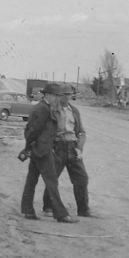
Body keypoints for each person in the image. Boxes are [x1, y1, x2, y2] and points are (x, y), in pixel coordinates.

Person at [18, 82, 77, 223]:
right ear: (48, 95)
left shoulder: (41, 107)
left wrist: (30, 148)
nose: (58, 98)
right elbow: (34, 131)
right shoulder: (44, 109)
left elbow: (32, 130)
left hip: (38, 149)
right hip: (42, 150)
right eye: (56, 95)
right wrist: (28, 147)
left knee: (31, 180)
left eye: (59, 96)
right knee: (52, 182)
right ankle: (61, 215)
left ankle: (28, 211)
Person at [41, 83, 92, 217]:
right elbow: (45, 132)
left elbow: (81, 132)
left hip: (73, 148)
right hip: (58, 147)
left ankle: (83, 210)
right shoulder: (51, 110)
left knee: (82, 178)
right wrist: (50, 148)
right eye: (65, 95)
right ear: (59, 96)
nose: (68, 98)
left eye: (70, 95)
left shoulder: (74, 111)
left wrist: (79, 149)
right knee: (53, 178)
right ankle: (48, 207)